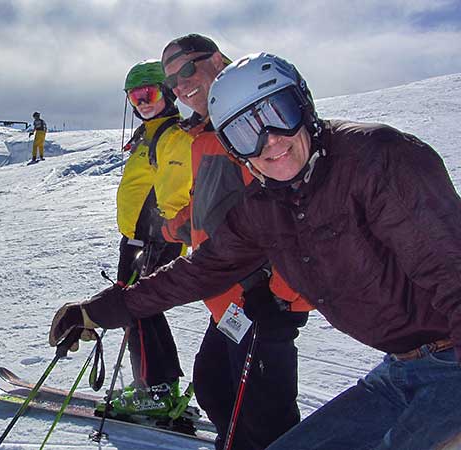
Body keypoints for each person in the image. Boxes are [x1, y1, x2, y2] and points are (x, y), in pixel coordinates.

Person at [50, 52, 461, 449]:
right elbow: (198, 271)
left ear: (305, 104)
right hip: (402, 371)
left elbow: (450, 269)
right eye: (245, 132)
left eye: (278, 114)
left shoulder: (379, 159)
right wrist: (97, 311)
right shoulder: (267, 205)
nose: (270, 141)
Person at [159, 34, 310, 450]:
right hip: (226, 300)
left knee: (265, 421)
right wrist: (172, 230)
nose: (181, 84)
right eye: (172, 79)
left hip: (262, 302)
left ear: (219, 60)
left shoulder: (254, 121)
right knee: (212, 387)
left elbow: (297, 211)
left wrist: (279, 296)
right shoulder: (204, 134)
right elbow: (211, 201)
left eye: (188, 68)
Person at [105, 59, 195, 417]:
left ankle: (156, 390)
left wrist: (159, 236)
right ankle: (156, 384)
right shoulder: (150, 133)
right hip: (137, 239)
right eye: (134, 95)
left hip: (154, 240)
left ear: (169, 92)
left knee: (139, 308)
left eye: (149, 92)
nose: (141, 101)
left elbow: (175, 192)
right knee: (142, 312)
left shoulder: (172, 135)